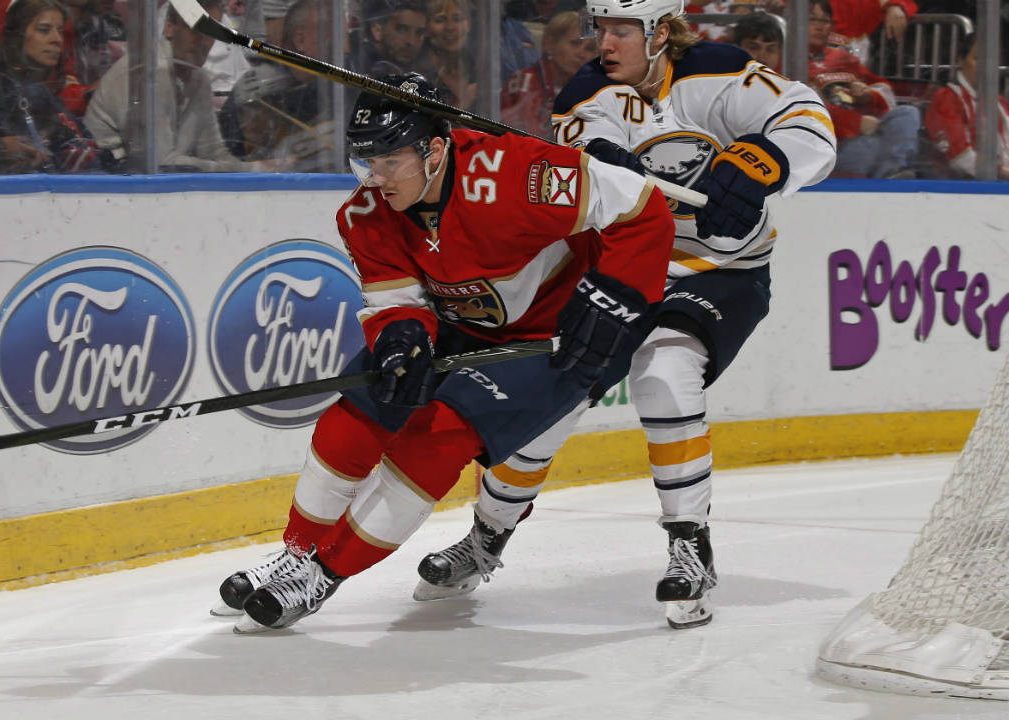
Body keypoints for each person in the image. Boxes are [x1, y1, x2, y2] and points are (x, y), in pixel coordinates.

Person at [414, 0, 836, 630]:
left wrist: (763, 165)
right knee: (550, 398)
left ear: (661, 31)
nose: (603, 42)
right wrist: (610, 172)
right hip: (632, 270)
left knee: (665, 376)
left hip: (726, 273)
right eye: (599, 28)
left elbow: (810, 122)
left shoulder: (718, 69)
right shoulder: (586, 94)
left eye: (620, 30)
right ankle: (486, 540)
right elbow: (586, 159)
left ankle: (690, 549)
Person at [212, 72, 676, 633]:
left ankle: (322, 576)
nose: (375, 179)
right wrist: (400, 337)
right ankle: (295, 553)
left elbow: (645, 208)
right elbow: (396, 301)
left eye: (388, 162)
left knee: (434, 441)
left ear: (434, 151)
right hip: (458, 326)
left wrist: (617, 295)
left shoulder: (519, 174)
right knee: (356, 414)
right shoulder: (364, 215)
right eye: (365, 163)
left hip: (553, 340)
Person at [83, 0, 248, 171]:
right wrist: (221, 168)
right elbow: (162, 162)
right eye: (195, 26)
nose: (204, 40)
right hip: (102, 181)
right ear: (170, 26)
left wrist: (257, 170)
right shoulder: (148, 73)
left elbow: (214, 152)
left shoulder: (200, 81)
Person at [0, 0, 107, 172]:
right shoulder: (0, 92)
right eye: (44, 30)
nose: (57, 40)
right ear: (17, 34)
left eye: (60, 31)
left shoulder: (38, 90)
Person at [217, 0, 337, 170]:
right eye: (333, 36)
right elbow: (237, 168)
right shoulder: (256, 93)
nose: (344, 47)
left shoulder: (341, 88)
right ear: (301, 39)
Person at [808, 0, 921, 179]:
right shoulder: (790, 60)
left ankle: (894, 177)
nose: (819, 27)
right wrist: (855, 122)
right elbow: (805, 112)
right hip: (831, 143)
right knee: (867, 146)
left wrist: (868, 95)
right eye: (812, 20)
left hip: (863, 129)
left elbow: (883, 91)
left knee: (907, 114)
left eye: (825, 21)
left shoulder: (842, 57)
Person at [924, 33, 1009, 180]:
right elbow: (960, 159)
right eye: (977, 59)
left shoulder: (999, 102)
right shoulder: (946, 98)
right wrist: (1001, 173)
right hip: (960, 188)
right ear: (961, 61)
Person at [501, 10, 598, 138]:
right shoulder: (524, 82)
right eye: (575, 43)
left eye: (589, 49)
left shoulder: (593, 91)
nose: (581, 54)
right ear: (550, 44)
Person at [417, 0, 480, 110]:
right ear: (426, 26)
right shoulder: (419, 72)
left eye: (457, 19)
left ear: (469, 24)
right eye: (440, 20)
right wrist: (463, 102)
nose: (450, 27)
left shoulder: (474, 65)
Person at [348, 0, 429, 78]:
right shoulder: (354, 69)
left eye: (419, 33)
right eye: (402, 30)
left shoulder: (422, 71)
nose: (411, 41)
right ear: (377, 31)